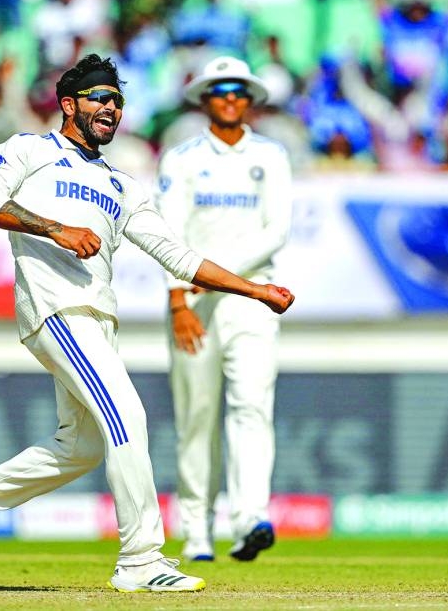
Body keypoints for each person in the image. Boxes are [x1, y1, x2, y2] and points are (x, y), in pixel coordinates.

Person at [0, 53, 294, 593]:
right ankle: (141, 559)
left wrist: (253, 289)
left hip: (97, 320)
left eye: (118, 101)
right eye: (101, 98)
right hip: (55, 310)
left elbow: (178, 255)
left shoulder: (123, 186)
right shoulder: (30, 149)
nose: (112, 108)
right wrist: (55, 228)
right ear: (69, 105)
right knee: (128, 416)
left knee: (81, 448)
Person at [156, 56, 292, 563]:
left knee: (252, 405)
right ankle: (195, 530)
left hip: (253, 299)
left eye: (239, 89)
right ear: (204, 99)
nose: (230, 97)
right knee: (196, 416)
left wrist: (215, 276)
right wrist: (180, 295)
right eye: (220, 90)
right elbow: (166, 233)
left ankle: (251, 518)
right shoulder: (183, 158)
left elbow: (274, 231)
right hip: (192, 302)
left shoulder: (273, 156)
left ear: (250, 99)